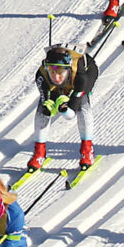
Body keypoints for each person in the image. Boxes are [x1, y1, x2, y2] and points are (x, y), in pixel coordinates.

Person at [25, 44, 97, 174]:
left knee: (83, 105)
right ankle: (39, 152)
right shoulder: (41, 76)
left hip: (84, 75)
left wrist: (64, 108)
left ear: (67, 69)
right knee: (42, 110)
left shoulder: (80, 77)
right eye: (52, 72)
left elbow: (71, 114)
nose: (56, 77)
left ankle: (87, 151)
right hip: (61, 82)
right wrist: (50, 106)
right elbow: (46, 100)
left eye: (60, 73)